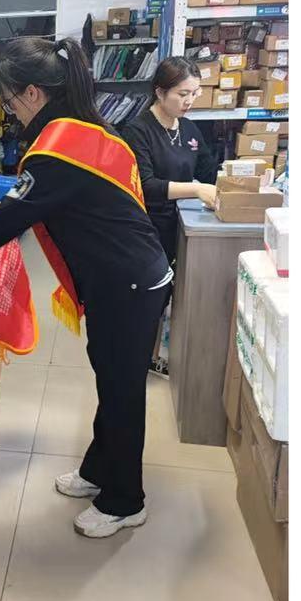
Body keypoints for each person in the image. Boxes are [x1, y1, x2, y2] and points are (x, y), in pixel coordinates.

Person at [0, 37, 172, 540]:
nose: (8, 111)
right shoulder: (88, 129)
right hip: (128, 275)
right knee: (111, 380)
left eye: (8, 100)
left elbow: (10, 220)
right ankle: (99, 470)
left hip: (127, 283)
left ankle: (125, 500)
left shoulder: (57, 149)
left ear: (32, 93)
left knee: (121, 391)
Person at [123, 56, 218, 374]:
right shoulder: (138, 131)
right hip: (148, 228)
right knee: (147, 297)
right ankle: (136, 359)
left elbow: (208, 169)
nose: (189, 101)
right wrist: (196, 190)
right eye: (182, 94)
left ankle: (153, 357)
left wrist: (239, 178)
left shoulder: (189, 128)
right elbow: (146, 185)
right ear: (160, 92)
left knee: (168, 297)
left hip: (182, 225)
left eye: (195, 93)